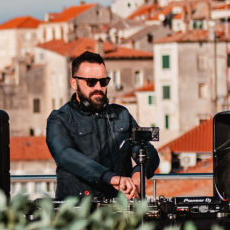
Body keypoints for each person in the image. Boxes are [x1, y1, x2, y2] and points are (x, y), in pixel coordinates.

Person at [46, 51, 159, 200]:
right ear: (74, 83)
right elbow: (66, 155)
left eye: (103, 81)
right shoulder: (59, 119)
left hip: (121, 208)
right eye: (91, 82)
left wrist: (140, 173)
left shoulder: (122, 114)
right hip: (77, 209)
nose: (98, 87)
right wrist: (111, 178)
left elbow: (148, 151)